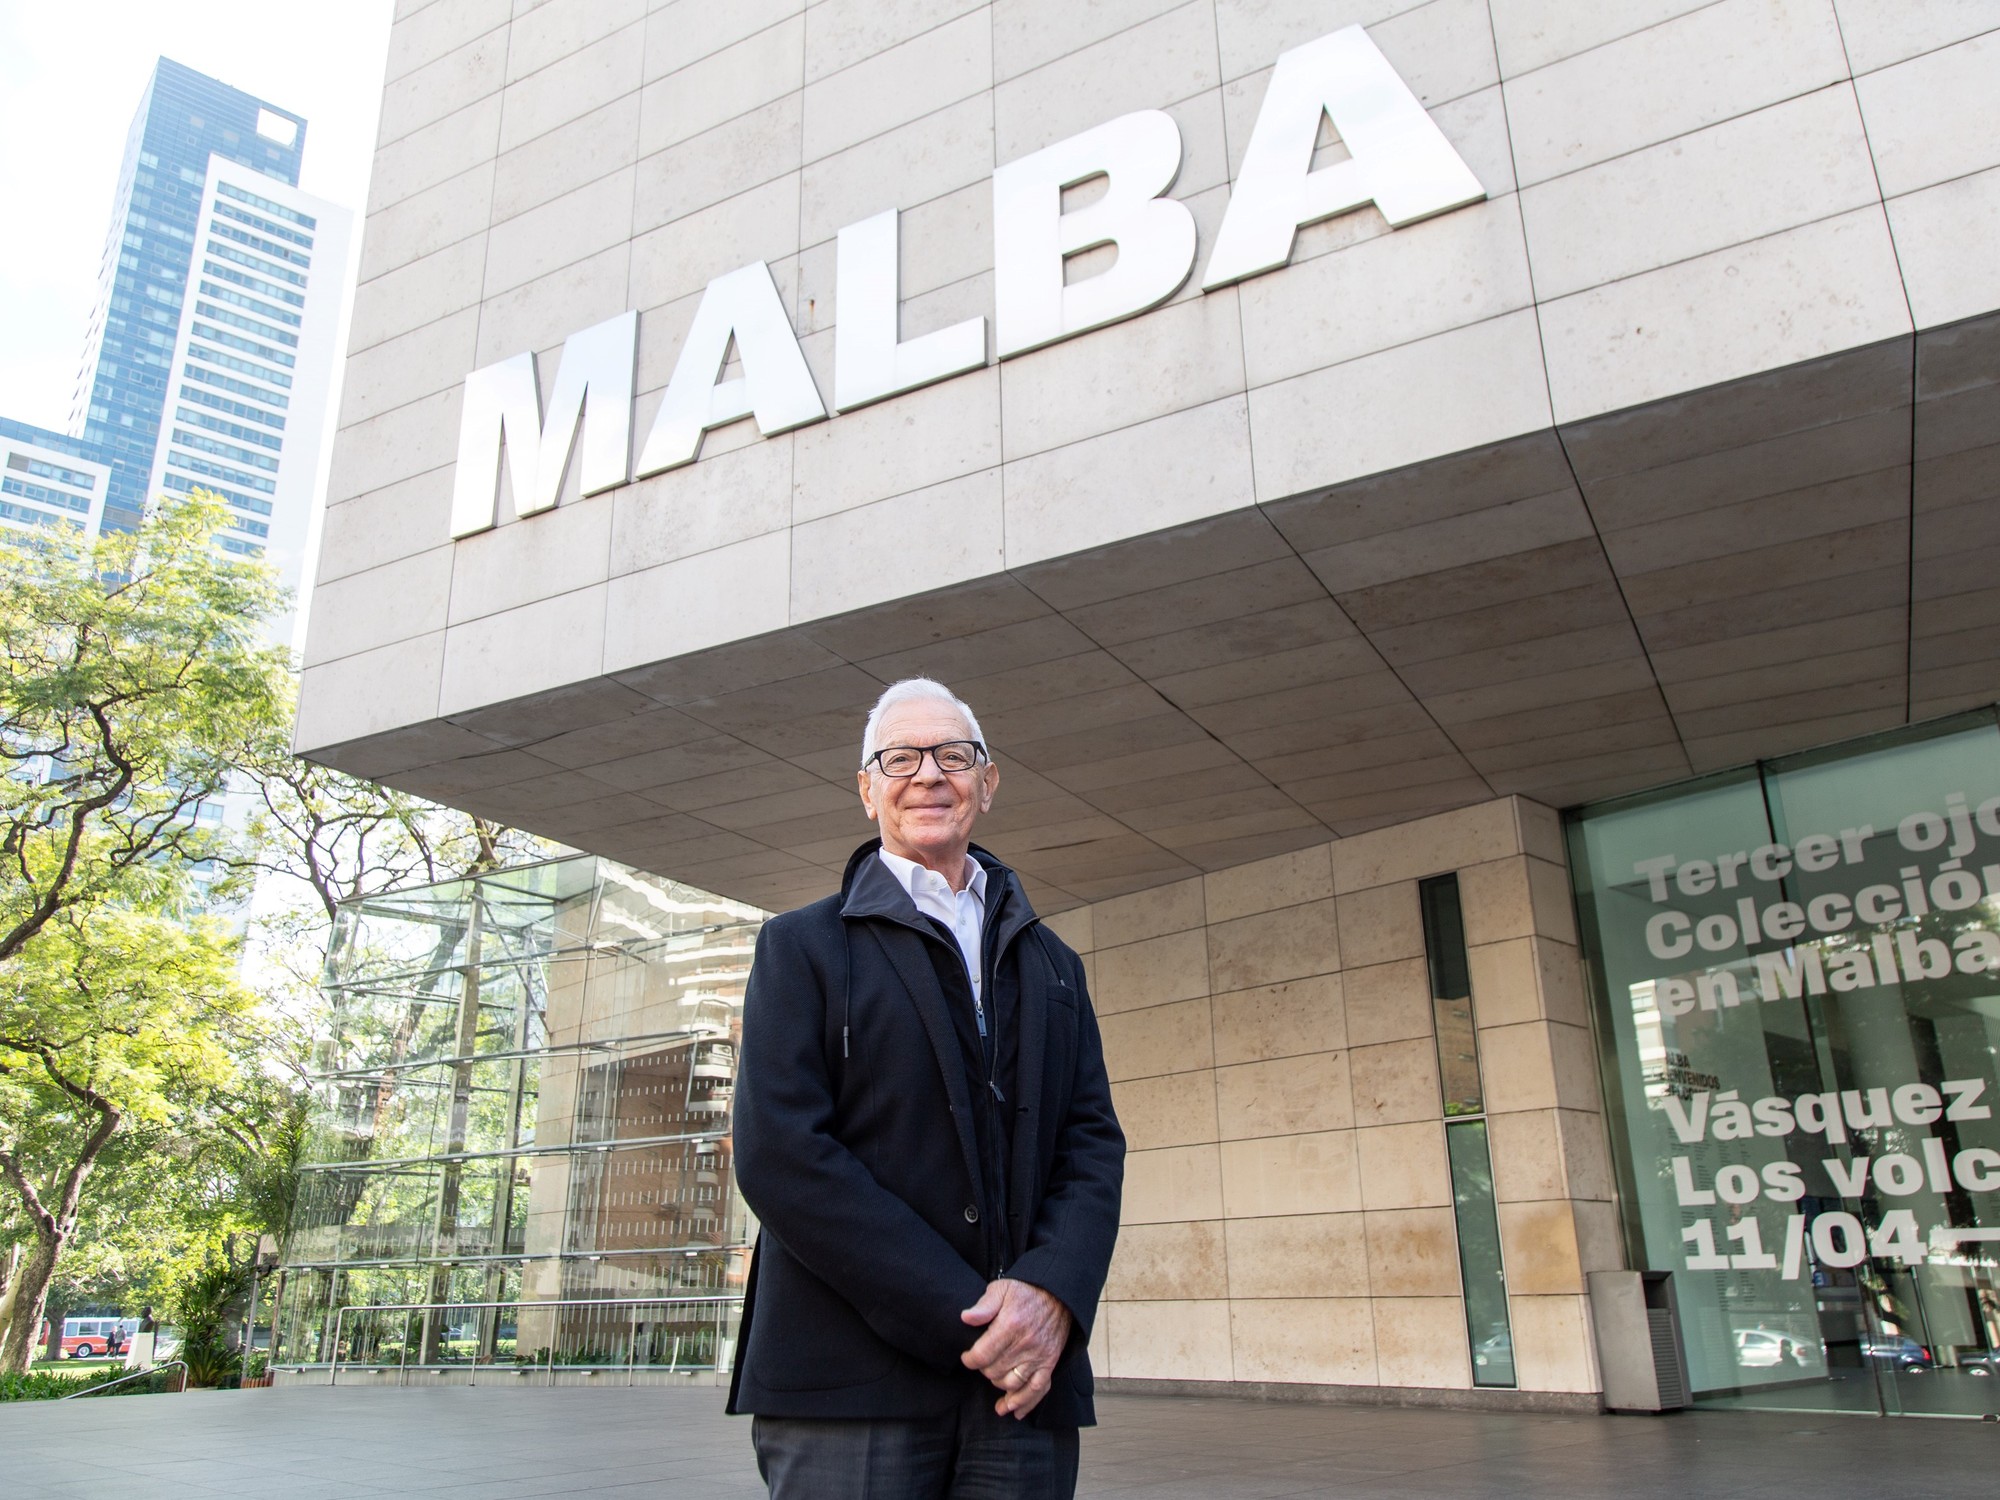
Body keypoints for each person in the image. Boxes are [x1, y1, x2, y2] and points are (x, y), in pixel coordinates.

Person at [728, 677, 1125, 1499]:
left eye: (953, 754)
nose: (930, 775)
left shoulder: (1056, 965)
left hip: (1024, 1390)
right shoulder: (800, 948)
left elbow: (1091, 1147)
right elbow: (782, 1155)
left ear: (988, 781)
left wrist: (1051, 1295)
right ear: (867, 789)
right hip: (851, 1386)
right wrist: (973, 1318)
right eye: (901, 758)